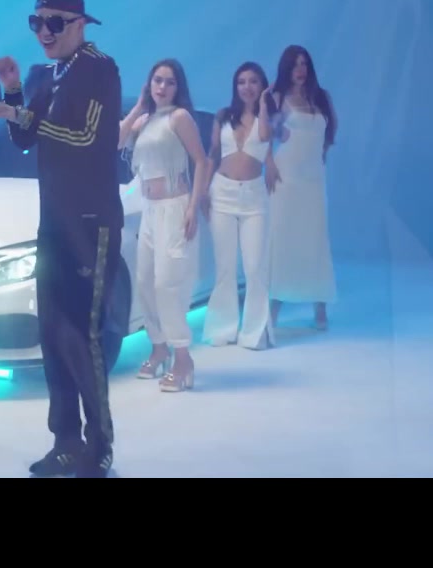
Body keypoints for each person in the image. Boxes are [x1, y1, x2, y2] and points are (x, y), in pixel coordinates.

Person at [0, 0, 123, 478]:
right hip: (54, 222)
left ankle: (98, 447)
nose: (44, 31)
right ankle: (65, 441)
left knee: (84, 335)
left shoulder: (100, 69)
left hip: (91, 223)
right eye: (36, 22)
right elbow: (24, 137)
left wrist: (18, 111)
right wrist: (14, 90)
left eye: (54, 23)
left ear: (80, 24)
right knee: (54, 333)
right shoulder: (43, 73)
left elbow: (85, 136)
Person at [117, 59, 210, 391]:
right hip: (150, 211)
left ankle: (182, 358)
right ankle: (158, 349)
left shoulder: (179, 117)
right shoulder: (145, 120)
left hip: (174, 208)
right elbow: (115, 141)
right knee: (145, 282)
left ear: (177, 87)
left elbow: (201, 160)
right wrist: (137, 108)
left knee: (168, 285)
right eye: (157, 80)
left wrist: (193, 206)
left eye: (169, 82)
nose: (162, 87)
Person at [201, 61, 278, 350]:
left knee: (255, 267)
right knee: (224, 267)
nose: (247, 87)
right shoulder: (223, 116)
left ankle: (255, 332)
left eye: (253, 81)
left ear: (262, 86)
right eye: (242, 82)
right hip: (222, 193)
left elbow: (266, 138)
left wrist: (264, 105)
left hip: (254, 198)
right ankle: (223, 327)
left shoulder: (268, 117)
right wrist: (203, 190)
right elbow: (213, 154)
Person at [265, 45, 337, 331]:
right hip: (287, 176)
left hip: (313, 178)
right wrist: (269, 163)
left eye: (304, 64)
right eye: (294, 64)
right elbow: (266, 135)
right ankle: (274, 307)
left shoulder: (321, 97)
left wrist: (320, 155)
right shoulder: (278, 97)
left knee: (316, 238)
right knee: (283, 237)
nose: (300, 69)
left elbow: (328, 133)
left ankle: (320, 306)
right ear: (286, 68)